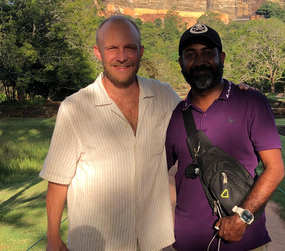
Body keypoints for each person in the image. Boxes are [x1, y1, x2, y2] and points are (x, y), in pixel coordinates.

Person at [39, 16, 181, 251]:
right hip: (98, 244)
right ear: (98, 52)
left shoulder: (163, 96)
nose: (122, 56)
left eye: (129, 48)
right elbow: (58, 180)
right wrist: (53, 237)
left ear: (141, 51)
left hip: (154, 239)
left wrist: (233, 93)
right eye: (112, 48)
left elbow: (198, 115)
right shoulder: (75, 108)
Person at [165, 23, 285, 251]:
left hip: (244, 241)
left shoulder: (251, 102)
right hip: (188, 241)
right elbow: (155, 170)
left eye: (207, 53)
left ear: (222, 57)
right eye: (191, 55)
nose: (199, 61)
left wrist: (242, 218)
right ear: (181, 63)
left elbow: (275, 169)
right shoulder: (176, 115)